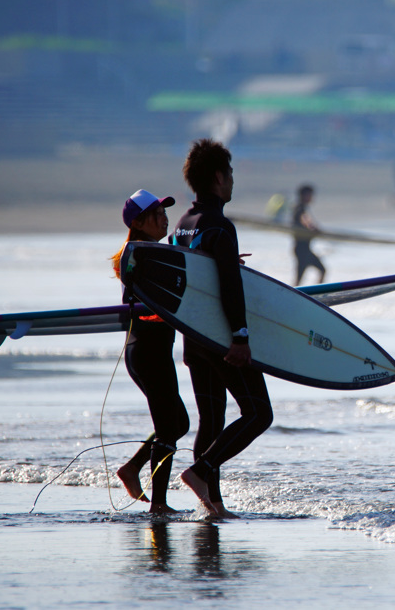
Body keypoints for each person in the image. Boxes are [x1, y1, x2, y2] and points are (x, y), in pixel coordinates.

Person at [171, 139, 273, 518]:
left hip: (193, 339)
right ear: (217, 177)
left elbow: (191, 279)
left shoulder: (182, 225)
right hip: (221, 339)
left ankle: (212, 504)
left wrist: (226, 261)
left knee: (211, 421)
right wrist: (241, 337)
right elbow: (230, 288)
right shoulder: (220, 227)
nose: (232, 181)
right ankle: (201, 472)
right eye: (229, 174)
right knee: (259, 413)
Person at [111, 189, 190, 514]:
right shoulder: (137, 253)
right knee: (171, 427)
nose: (165, 218)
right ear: (140, 222)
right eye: (157, 214)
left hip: (152, 349)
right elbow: (138, 300)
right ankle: (158, 505)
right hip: (147, 350)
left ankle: (132, 468)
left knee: (178, 423)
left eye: (164, 212)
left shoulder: (151, 251)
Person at [291, 183, 326, 286]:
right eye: (310, 195)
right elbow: (305, 219)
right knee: (299, 278)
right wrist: (312, 227)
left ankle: (317, 293)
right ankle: (296, 296)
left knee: (322, 270)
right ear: (303, 195)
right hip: (302, 250)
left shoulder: (302, 208)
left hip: (305, 249)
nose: (311, 197)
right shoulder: (300, 208)